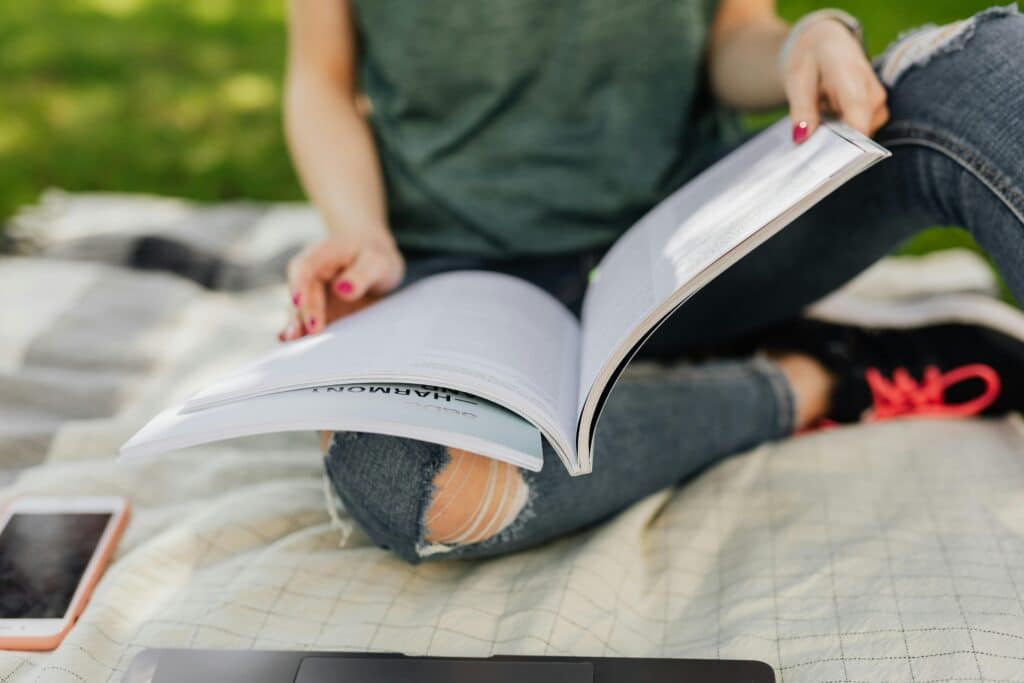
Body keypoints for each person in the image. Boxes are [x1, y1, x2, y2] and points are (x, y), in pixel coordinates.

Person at [280, 1, 1024, 563]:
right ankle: (819, 376)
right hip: (465, 272)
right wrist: (360, 229)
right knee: (405, 476)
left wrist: (807, 38)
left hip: (693, 248)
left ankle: (694, 363)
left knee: (987, 64)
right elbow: (320, 80)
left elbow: (734, 38)